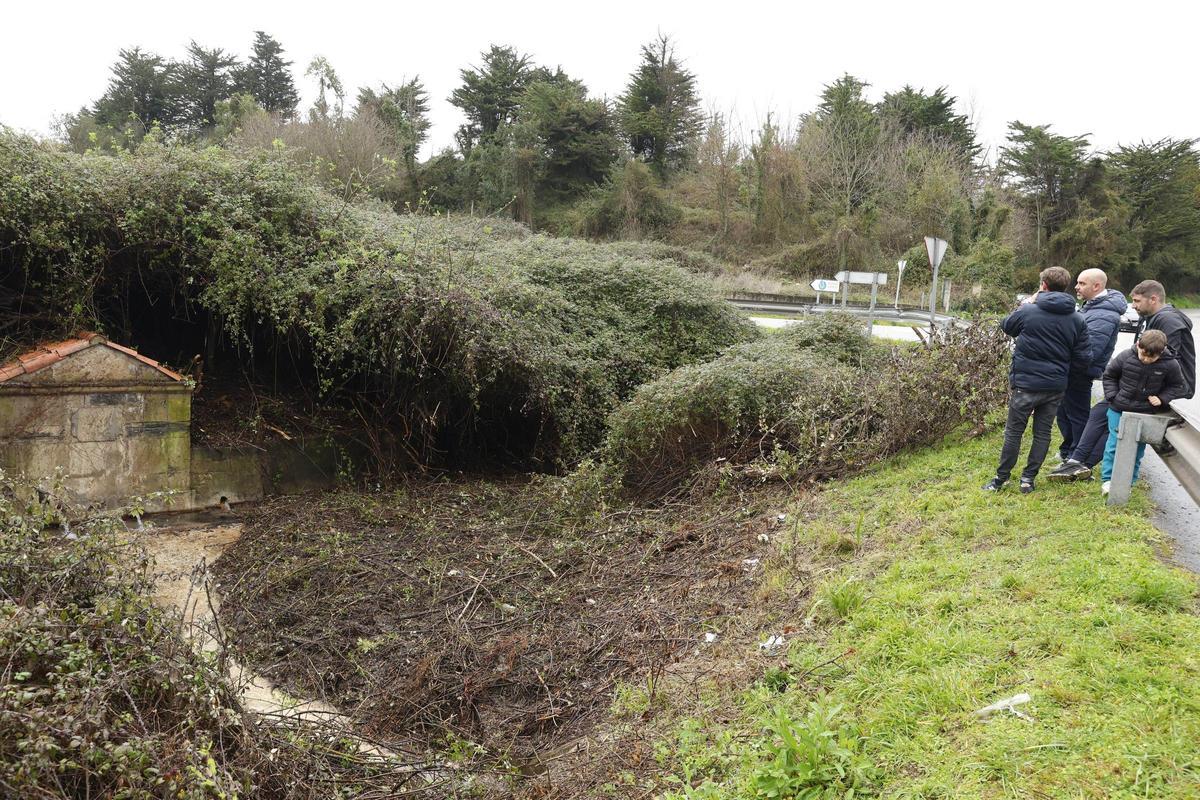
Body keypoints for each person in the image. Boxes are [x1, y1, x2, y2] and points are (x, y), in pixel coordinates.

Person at [1050, 278, 1196, 481]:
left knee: (1113, 421)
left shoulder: (1168, 320)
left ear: (1153, 299)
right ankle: (1077, 462)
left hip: (1152, 386)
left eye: (1136, 301)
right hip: (1141, 380)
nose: (1133, 306)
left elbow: (1162, 360)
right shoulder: (1155, 318)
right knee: (1100, 414)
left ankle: (1080, 464)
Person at [984, 266, 1091, 493]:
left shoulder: (1028, 311)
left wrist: (1028, 303)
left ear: (1043, 285)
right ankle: (1028, 480)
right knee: (1042, 434)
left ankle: (1000, 480)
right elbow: (1084, 358)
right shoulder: (1077, 319)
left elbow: (1007, 326)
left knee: (1014, 432)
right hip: (1055, 386)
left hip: (1026, 384)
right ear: (1066, 287)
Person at [1098, 329, 1187, 495]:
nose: (1146, 360)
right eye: (1143, 354)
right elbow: (1109, 375)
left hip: (1145, 413)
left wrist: (1162, 398)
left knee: (1137, 449)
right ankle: (1108, 480)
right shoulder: (1125, 356)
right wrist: (1112, 396)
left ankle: (1128, 482)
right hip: (1119, 410)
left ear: (1161, 352)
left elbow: (1177, 386)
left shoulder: (1170, 364)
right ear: (1138, 345)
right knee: (1113, 445)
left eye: (1151, 357)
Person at [1053, 269, 1127, 463]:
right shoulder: (1092, 307)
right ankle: (1068, 448)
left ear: (1097, 286)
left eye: (1082, 283)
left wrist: (1063, 358)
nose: (1076, 287)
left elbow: (1089, 351)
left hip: (1079, 372)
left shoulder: (1104, 314)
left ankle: (1076, 454)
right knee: (1063, 412)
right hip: (1071, 369)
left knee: (1077, 415)